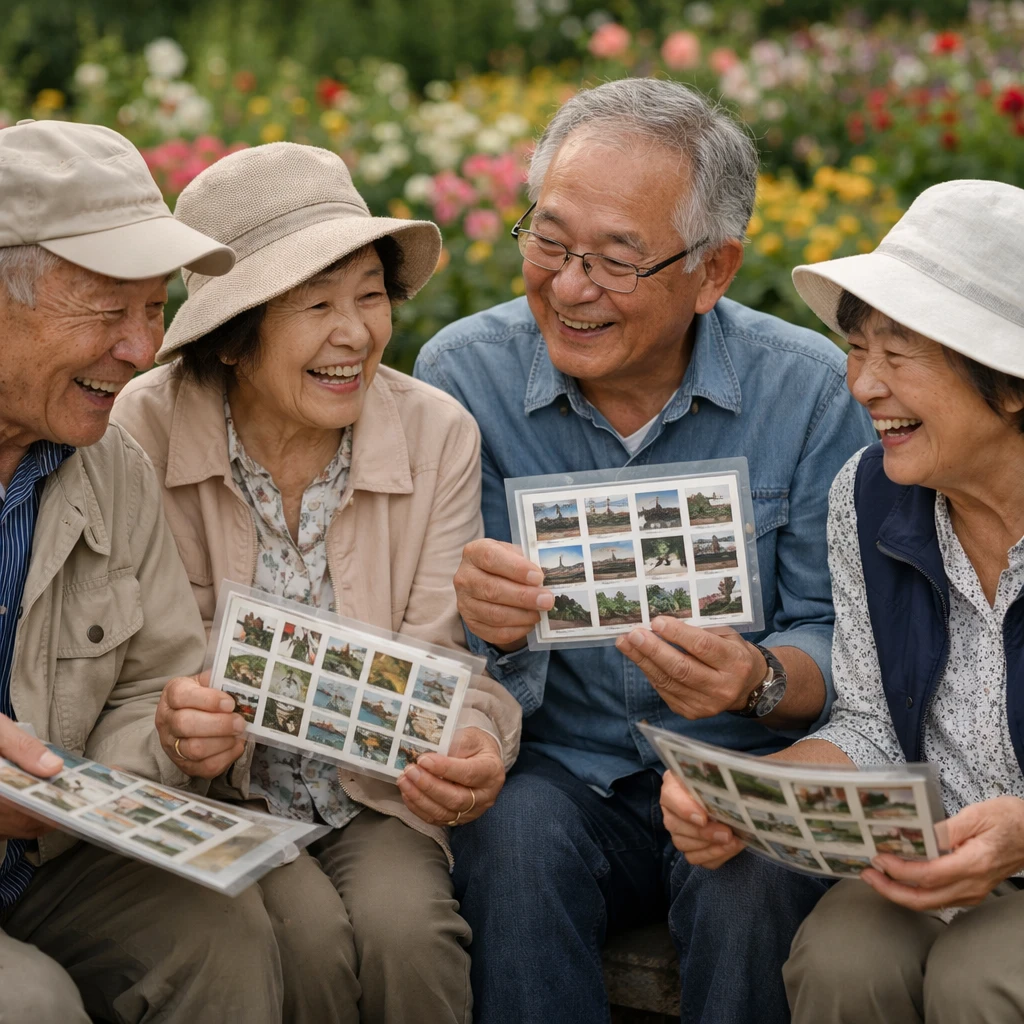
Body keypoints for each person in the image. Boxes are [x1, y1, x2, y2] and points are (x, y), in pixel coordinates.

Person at [413, 78, 875, 1024]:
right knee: (512, 840)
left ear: (714, 271)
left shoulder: (815, 391)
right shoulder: (462, 375)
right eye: (548, 240)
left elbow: (842, 637)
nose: (570, 285)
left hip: (740, 764)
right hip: (558, 769)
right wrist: (484, 624)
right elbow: (443, 640)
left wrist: (755, 678)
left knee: (755, 869)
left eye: (618, 260)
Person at [113, 141, 522, 1024]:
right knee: (304, 946)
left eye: (370, 297)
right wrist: (182, 728)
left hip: (375, 798)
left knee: (410, 935)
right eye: (317, 305)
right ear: (233, 336)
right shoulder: (137, 433)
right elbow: (144, 669)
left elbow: (443, 657)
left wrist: (473, 740)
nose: (356, 334)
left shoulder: (436, 433)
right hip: (217, 798)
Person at [662, 179, 1024, 1023]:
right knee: (840, 958)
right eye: (859, 350)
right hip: (927, 853)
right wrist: (746, 795)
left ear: (1009, 385)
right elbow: (865, 722)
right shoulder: (869, 494)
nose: (863, 386)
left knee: (981, 980)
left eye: (900, 356)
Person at [0, 118, 292, 1023]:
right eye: (105, 309)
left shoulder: (109, 465)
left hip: (40, 868)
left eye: (154, 309)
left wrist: (172, 734)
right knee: (32, 1001)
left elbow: (147, 689)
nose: (141, 349)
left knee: (226, 932)